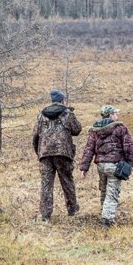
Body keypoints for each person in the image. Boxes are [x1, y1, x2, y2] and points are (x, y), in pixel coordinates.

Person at [79, 105, 133, 227]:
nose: (117, 115)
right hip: (114, 165)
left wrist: (84, 168)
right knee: (112, 193)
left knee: (104, 191)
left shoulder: (95, 130)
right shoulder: (120, 128)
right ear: (110, 115)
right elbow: (128, 146)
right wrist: (131, 163)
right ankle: (107, 220)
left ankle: (104, 212)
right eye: (115, 113)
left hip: (100, 165)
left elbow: (88, 149)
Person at [32, 89, 82, 222]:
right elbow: (77, 130)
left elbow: (35, 136)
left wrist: (40, 153)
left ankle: (45, 215)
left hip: (45, 154)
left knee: (46, 184)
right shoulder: (67, 113)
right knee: (66, 180)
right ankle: (72, 209)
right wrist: (70, 113)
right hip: (63, 153)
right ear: (62, 101)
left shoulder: (41, 115)